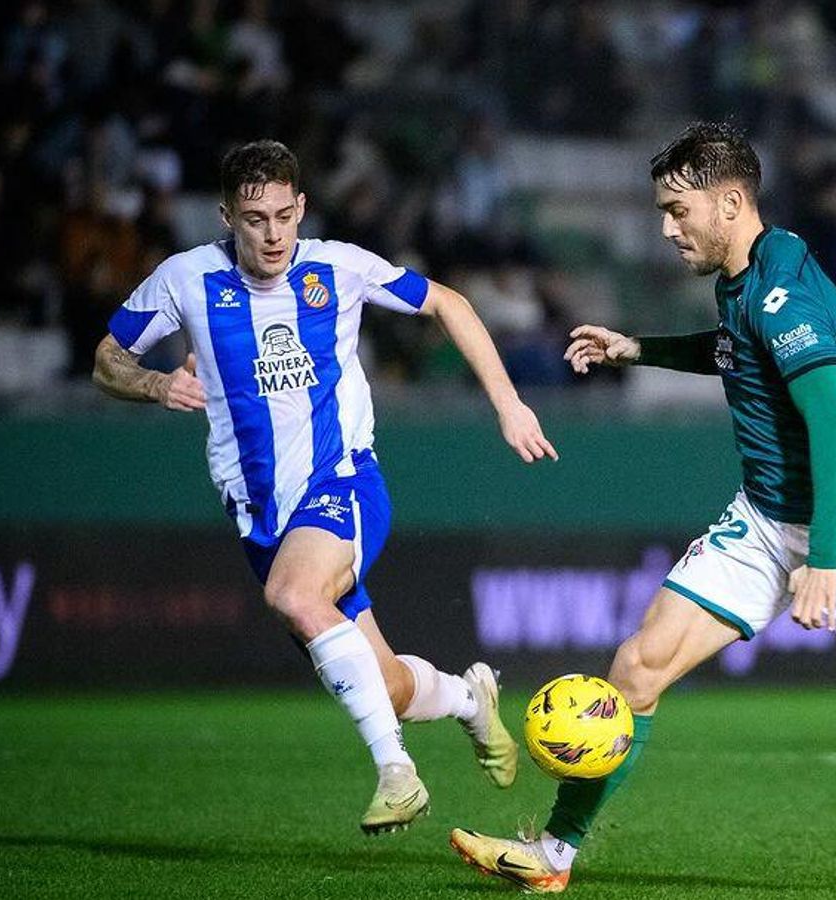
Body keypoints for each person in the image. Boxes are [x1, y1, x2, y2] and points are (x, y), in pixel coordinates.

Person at [446, 122, 836, 894]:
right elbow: (734, 347)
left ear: (730, 202)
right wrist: (640, 349)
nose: (667, 230)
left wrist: (826, 563)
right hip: (767, 519)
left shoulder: (783, 293)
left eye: (679, 211)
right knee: (637, 667)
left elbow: (834, 427)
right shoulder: (749, 279)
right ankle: (555, 856)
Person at [92, 140, 556, 834]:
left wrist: (508, 403)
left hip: (342, 483)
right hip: (262, 521)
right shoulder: (185, 280)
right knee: (389, 686)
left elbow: (449, 304)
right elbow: (106, 360)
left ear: (302, 207)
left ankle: (397, 775)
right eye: (255, 219)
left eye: (284, 214)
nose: (274, 233)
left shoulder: (340, 267)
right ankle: (469, 698)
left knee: (294, 595)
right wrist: (158, 383)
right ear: (227, 217)